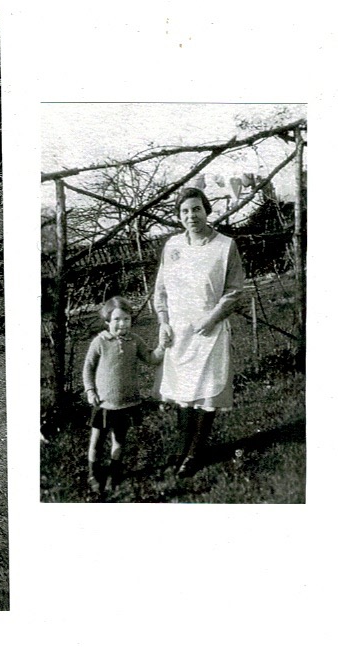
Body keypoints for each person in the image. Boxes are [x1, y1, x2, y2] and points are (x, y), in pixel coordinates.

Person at [154, 186, 245, 476]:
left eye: (196, 209)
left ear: (206, 210)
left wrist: (211, 318)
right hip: (179, 333)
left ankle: (195, 454)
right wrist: (164, 321)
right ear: (179, 217)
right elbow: (161, 289)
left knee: (206, 392)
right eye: (184, 211)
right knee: (183, 391)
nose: (191, 215)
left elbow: (233, 291)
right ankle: (183, 448)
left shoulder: (224, 246)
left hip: (209, 329)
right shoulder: (172, 246)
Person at [82, 296, 166, 495]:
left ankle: (113, 473)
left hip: (126, 402)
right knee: (97, 440)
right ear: (107, 322)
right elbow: (88, 367)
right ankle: (93, 474)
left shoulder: (134, 341)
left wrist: (163, 346)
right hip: (104, 403)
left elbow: (151, 358)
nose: (122, 324)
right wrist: (90, 390)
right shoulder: (100, 341)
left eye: (126, 319)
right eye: (117, 320)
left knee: (119, 440)